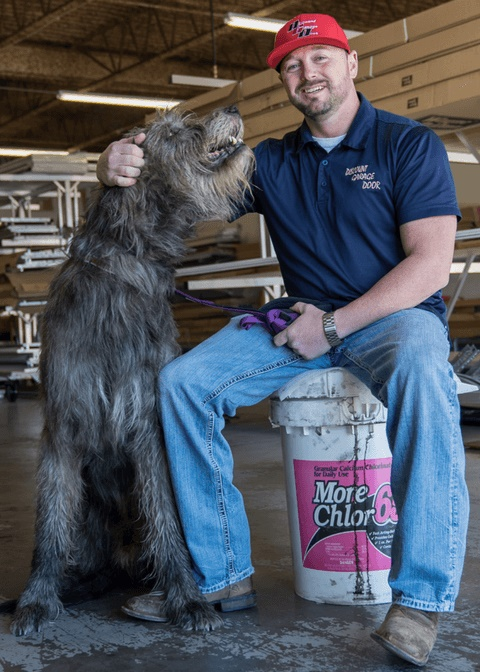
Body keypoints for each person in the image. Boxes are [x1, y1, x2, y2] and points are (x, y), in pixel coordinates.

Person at [96, 14, 469, 667]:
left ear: (351, 64)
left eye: (320, 58)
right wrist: (117, 161)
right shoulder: (269, 161)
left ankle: (421, 602)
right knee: (182, 385)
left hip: (391, 319)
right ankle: (222, 576)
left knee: (425, 371)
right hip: (299, 319)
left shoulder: (407, 146)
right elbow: (182, 196)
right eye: (292, 66)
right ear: (285, 81)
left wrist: (331, 325)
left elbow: (430, 267)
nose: (306, 74)